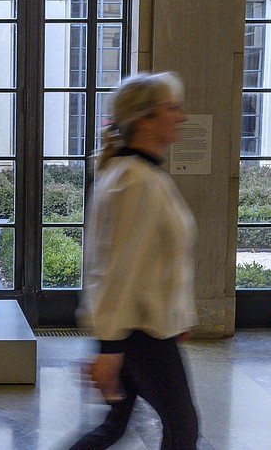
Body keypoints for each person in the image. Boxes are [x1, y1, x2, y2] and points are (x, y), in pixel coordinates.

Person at [71, 71, 199, 449]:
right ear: (145, 119)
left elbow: (154, 262)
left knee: (113, 428)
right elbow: (117, 272)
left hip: (143, 328)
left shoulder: (137, 174)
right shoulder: (136, 181)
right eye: (172, 108)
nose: (182, 116)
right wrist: (110, 349)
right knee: (183, 429)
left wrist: (177, 315)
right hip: (141, 334)